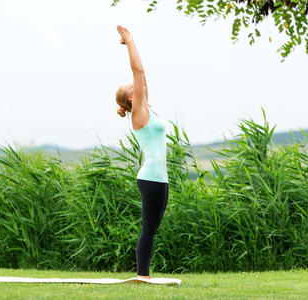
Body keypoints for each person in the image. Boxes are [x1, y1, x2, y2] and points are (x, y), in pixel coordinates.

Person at [115, 25, 169, 280]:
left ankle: (143, 273)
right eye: (131, 86)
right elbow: (139, 71)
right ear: (130, 100)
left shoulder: (145, 108)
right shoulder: (139, 114)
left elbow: (141, 76)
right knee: (148, 229)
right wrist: (131, 43)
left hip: (158, 178)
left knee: (152, 228)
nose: (137, 85)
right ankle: (142, 275)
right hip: (151, 178)